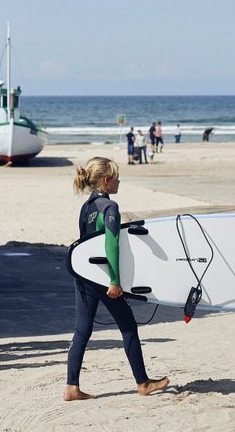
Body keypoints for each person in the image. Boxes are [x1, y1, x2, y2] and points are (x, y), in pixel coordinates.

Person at [64, 157, 170, 401]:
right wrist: (115, 280)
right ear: (105, 180)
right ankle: (143, 383)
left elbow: (83, 243)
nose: (119, 181)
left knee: (82, 330)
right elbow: (111, 245)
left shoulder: (87, 207)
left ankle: (72, 387)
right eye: (117, 177)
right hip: (103, 278)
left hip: (83, 276)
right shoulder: (110, 208)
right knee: (128, 326)